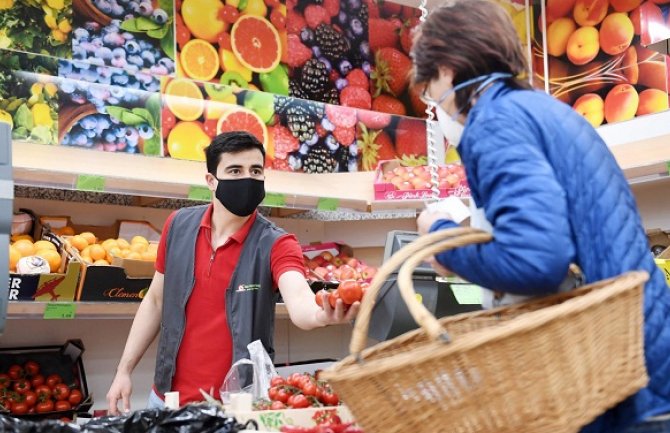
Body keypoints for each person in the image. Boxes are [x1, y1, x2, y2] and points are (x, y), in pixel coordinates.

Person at [412, 1, 670, 432]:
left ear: (450, 68)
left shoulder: (494, 122)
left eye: (429, 86)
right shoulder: (538, 109)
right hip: (636, 349)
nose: (434, 101)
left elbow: (536, 259)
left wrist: (441, 241)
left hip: (616, 371)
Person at [106, 131, 359, 413]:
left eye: (256, 170)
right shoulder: (178, 226)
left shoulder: (276, 243)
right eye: (235, 170)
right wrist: (124, 370)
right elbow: (155, 301)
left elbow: (299, 300)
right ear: (211, 181)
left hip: (238, 407)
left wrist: (321, 314)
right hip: (167, 400)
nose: (247, 179)